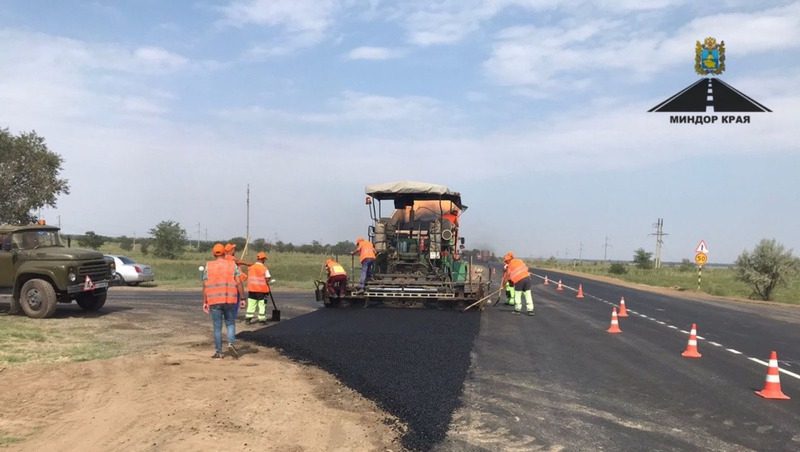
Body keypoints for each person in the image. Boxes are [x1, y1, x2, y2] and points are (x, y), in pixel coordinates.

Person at [203, 243, 245, 359]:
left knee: (217, 327)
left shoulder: (209, 266)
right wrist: (242, 298)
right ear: (224, 252)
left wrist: (205, 302)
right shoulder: (232, 265)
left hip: (214, 300)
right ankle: (231, 343)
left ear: (213, 253)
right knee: (230, 323)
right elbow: (239, 282)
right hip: (230, 299)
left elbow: (205, 285)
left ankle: (219, 352)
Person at [501, 251, 534, 316]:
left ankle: (517, 310)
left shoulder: (510, 266)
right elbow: (526, 268)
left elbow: (507, 277)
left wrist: (504, 285)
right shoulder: (519, 261)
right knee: (528, 294)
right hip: (527, 278)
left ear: (508, 260)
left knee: (518, 294)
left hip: (519, 280)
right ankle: (530, 310)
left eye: (506, 261)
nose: (506, 262)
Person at [245, 251, 271, 325]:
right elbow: (268, 278)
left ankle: (248, 319)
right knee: (262, 305)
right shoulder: (264, 268)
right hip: (261, 290)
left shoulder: (251, 267)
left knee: (251, 304)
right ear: (262, 259)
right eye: (264, 259)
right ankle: (261, 320)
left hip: (252, 289)